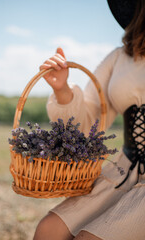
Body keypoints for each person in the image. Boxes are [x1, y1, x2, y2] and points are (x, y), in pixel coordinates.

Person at [33, 0, 145, 239]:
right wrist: (62, 89)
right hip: (126, 170)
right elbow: (89, 124)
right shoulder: (121, 57)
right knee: (48, 230)